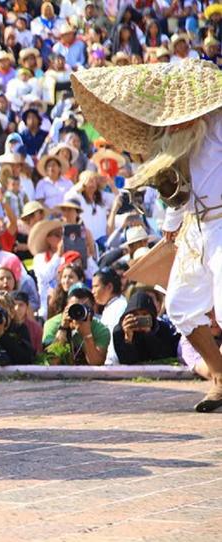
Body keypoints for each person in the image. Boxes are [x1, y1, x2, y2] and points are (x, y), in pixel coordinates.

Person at [73, 59, 222, 411]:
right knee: (181, 305)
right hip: (195, 227)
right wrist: (173, 222)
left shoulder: (218, 123)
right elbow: (178, 187)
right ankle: (219, 374)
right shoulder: (174, 134)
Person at [106, 291, 181, 365]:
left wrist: (149, 334)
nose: (139, 317)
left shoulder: (162, 328)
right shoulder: (119, 331)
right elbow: (127, 361)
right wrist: (128, 338)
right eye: (135, 314)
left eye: (144, 314)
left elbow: (164, 356)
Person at [42, 284, 109, 365]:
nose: (79, 312)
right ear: (66, 307)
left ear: (93, 309)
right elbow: (50, 363)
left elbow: (97, 364)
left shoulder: (101, 329)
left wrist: (87, 335)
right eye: (74, 307)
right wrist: (63, 328)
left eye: (84, 308)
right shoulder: (52, 324)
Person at [92, 267, 127, 334]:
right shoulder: (112, 305)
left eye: (96, 286)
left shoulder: (119, 307)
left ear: (109, 287)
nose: (93, 291)